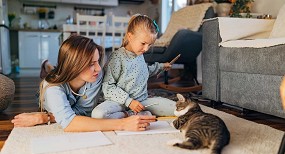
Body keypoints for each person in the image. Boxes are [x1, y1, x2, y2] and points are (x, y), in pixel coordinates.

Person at [11, 35, 156, 132]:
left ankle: (50, 66)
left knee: (59, 71)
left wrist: (48, 117)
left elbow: (84, 113)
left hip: (70, 81)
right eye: (91, 64)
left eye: (98, 61)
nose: (99, 69)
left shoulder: (95, 76)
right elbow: (69, 123)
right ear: (74, 65)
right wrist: (124, 124)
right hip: (46, 94)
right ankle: (48, 68)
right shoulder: (52, 88)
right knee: (50, 77)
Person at [91, 14, 176, 119]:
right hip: (119, 102)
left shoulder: (139, 54)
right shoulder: (117, 57)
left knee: (177, 108)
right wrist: (128, 101)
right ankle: (130, 114)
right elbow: (107, 87)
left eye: (149, 45)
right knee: (98, 115)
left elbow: (144, 71)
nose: (146, 49)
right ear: (130, 37)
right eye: (143, 43)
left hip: (142, 102)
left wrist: (162, 66)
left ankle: (139, 113)